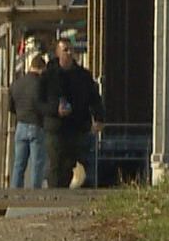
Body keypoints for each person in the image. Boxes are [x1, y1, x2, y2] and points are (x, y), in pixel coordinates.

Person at [39, 38, 104, 189]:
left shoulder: (83, 76)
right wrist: (55, 109)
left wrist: (99, 117)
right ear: (57, 53)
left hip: (77, 127)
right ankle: (55, 195)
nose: (69, 53)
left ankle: (68, 195)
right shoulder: (48, 77)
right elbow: (39, 103)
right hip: (55, 128)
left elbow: (94, 98)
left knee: (73, 165)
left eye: (70, 50)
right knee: (56, 164)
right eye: (65, 50)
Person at [7, 52, 48, 189]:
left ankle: (15, 191)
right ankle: (34, 193)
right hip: (36, 125)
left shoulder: (16, 84)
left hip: (20, 125)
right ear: (42, 68)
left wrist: (19, 113)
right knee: (37, 163)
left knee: (19, 163)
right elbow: (42, 105)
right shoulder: (41, 84)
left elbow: (10, 106)